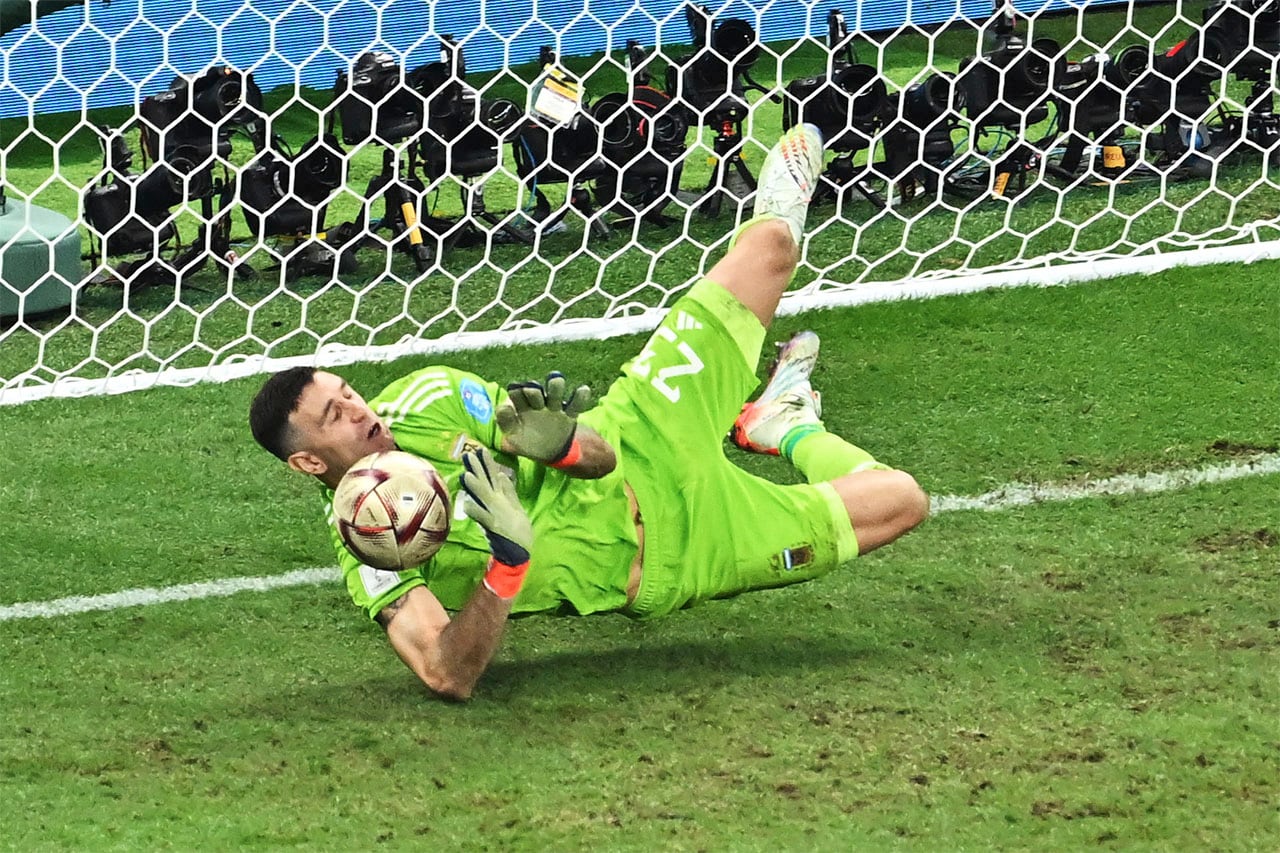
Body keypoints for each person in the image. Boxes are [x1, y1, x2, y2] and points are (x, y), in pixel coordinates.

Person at [249, 124, 929, 701]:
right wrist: (506, 559)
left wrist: (564, 443)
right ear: (308, 459)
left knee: (771, 250)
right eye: (335, 416)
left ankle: (772, 406)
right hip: (685, 555)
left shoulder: (433, 397)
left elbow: (596, 452)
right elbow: (444, 671)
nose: (360, 410)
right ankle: (789, 426)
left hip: (643, 431)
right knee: (903, 499)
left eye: (349, 393)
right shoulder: (371, 544)